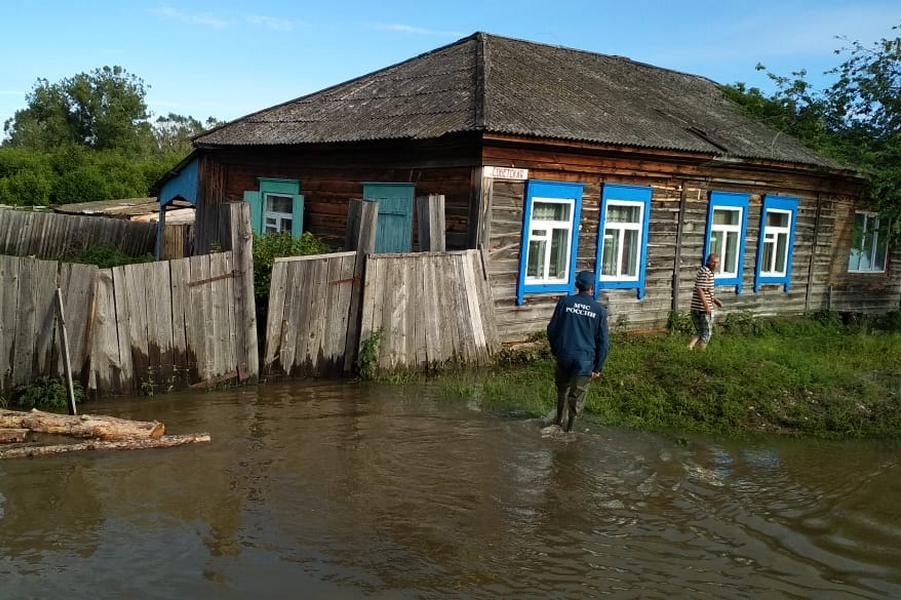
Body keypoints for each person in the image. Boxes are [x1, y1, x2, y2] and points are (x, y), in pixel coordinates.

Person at [546, 271, 609, 433]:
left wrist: (555, 350)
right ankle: (569, 431)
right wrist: (598, 367)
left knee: (562, 390)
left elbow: (552, 329)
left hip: (564, 355)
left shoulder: (565, 303)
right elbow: (603, 342)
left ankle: (558, 422)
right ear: (592, 288)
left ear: (576, 285)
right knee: (577, 396)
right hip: (585, 361)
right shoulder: (599, 311)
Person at [688, 253, 724, 351]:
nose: (715, 264)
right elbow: (700, 289)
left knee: (700, 331)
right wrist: (707, 306)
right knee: (707, 332)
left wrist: (715, 301)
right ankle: (701, 353)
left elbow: (706, 290)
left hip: (696, 307)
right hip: (702, 309)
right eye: (713, 262)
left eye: (717, 262)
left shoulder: (706, 271)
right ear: (708, 261)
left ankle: (690, 347)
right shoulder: (706, 272)